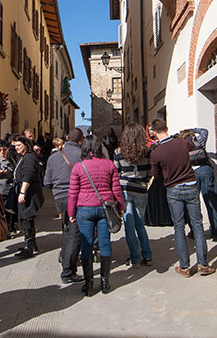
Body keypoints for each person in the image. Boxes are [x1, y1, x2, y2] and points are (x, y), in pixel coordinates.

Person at [149, 119, 216, 277]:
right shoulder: (182, 144)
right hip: (191, 185)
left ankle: (185, 267)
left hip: (173, 189)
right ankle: (203, 264)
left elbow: (156, 175)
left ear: (153, 132)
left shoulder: (156, 153)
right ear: (167, 128)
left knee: (179, 227)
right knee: (197, 225)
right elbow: (193, 144)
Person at [68, 135, 125, 296]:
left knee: (86, 245)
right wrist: (120, 207)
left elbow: (73, 193)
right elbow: (116, 190)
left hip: (84, 209)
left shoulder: (79, 167)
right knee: (105, 243)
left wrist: (71, 213)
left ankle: (89, 284)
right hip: (105, 209)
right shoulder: (109, 165)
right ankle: (105, 283)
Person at [44, 128, 85, 284]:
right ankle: (68, 272)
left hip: (59, 198)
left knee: (67, 228)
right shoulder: (82, 155)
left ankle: (64, 256)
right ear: (80, 140)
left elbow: (46, 182)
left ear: (67, 138)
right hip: (75, 197)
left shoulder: (53, 157)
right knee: (75, 233)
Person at [114, 123, 153, 268]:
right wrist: (143, 182)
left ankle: (135, 258)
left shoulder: (119, 152)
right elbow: (150, 173)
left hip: (125, 190)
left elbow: (116, 173)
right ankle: (147, 256)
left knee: (129, 226)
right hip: (141, 190)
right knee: (140, 224)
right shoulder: (147, 151)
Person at [179, 127, 217, 241]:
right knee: (211, 202)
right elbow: (205, 130)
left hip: (191, 173)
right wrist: (192, 129)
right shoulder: (199, 140)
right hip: (206, 170)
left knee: (193, 203)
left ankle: (195, 231)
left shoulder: (182, 145)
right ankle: (216, 232)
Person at [13, 135, 45, 259]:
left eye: (19, 145)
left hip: (29, 192)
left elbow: (28, 175)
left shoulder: (29, 158)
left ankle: (29, 246)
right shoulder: (24, 157)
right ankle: (30, 244)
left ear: (26, 145)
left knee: (27, 217)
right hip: (25, 191)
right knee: (26, 218)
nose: (16, 148)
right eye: (15, 146)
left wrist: (22, 192)